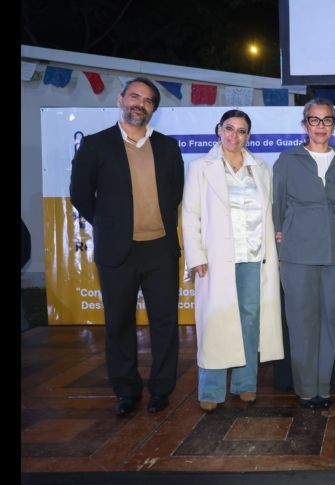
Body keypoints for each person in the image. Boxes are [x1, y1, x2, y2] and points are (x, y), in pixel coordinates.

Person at [70, 77, 184, 416]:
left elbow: (175, 193)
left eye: (147, 100)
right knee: (118, 323)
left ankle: (161, 389)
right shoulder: (96, 145)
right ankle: (126, 390)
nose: (140, 104)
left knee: (165, 323)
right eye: (134, 96)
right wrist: (110, 225)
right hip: (117, 251)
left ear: (153, 109)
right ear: (121, 100)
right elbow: (80, 195)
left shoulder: (168, 147)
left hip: (160, 249)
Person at [182, 110, 284, 413]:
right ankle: (211, 390)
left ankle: (245, 383)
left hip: (254, 257)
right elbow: (190, 215)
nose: (234, 136)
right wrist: (196, 255)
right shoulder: (200, 167)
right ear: (218, 130)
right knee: (216, 320)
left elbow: (269, 212)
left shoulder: (261, 169)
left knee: (250, 320)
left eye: (241, 131)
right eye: (229, 129)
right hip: (216, 260)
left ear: (248, 136)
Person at [272, 99, 335, 409]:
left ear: (333, 124)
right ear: (304, 124)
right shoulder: (288, 159)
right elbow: (277, 204)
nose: (320, 126)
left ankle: (323, 386)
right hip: (297, 252)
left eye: (327, 120)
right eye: (314, 120)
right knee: (302, 322)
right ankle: (306, 388)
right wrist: (281, 237)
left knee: (330, 320)